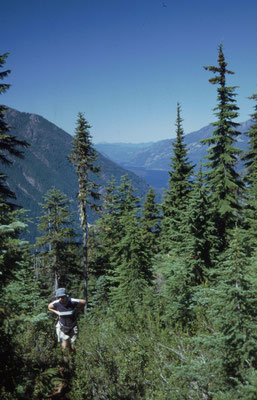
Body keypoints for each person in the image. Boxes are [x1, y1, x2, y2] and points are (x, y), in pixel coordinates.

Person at [48, 287, 86, 353]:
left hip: (73, 327)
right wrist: (58, 313)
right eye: (58, 297)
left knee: (73, 348)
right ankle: (66, 362)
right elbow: (49, 307)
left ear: (66, 296)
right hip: (62, 327)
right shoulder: (56, 303)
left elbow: (84, 302)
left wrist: (77, 310)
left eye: (62, 297)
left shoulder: (72, 301)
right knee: (64, 348)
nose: (60, 299)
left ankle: (73, 362)